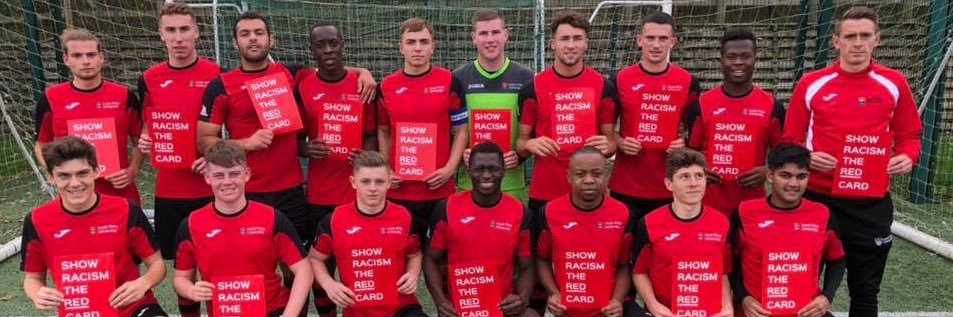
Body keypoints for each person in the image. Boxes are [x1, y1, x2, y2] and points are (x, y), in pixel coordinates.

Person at [782, 7, 922, 316]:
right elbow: (790, 140)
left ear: (877, 40)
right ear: (836, 42)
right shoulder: (812, 83)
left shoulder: (894, 83)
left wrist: (906, 157)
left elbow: (911, 134)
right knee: (801, 290)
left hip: (869, 203)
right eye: (850, 36)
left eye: (864, 36)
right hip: (818, 201)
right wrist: (807, 158)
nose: (857, 43)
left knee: (865, 292)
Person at [197, 11, 374, 245]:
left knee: (297, 262)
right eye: (245, 34)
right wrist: (246, 143)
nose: (252, 38)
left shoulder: (292, 73)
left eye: (259, 33)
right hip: (245, 190)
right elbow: (204, 142)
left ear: (272, 39)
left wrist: (363, 73)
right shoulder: (220, 85)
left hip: (291, 190)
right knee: (252, 259)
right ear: (235, 42)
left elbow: (331, 66)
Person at [21, 136, 167, 316]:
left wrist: (144, 282)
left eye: (82, 173)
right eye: (64, 175)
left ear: (96, 172)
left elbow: (157, 264)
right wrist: (37, 294)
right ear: (51, 178)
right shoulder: (36, 220)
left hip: (133, 307)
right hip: (81, 311)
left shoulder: (126, 209)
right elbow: (32, 278)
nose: (74, 183)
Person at [136, 5, 220, 316]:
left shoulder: (216, 73)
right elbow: (149, 125)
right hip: (170, 189)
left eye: (184, 29)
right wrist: (145, 139)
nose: (178, 37)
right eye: (171, 31)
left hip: (212, 186)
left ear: (197, 32)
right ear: (161, 35)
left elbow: (228, 127)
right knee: (182, 266)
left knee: (215, 260)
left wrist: (213, 156)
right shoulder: (149, 78)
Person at [295, 20, 378, 317]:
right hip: (319, 195)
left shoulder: (361, 84)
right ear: (312, 50)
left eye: (334, 43)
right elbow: (292, 139)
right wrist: (307, 148)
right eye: (321, 45)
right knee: (322, 269)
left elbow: (371, 133)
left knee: (361, 267)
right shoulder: (302, 85)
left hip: (356, 196)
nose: (328, 49)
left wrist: (364, 156)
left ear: (343, 45)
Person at [172, 140, 312, 317]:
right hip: (226, 312)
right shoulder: (191, 224)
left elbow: (303, 270)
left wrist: (289, 314)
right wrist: (191, 291)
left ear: (246, 174)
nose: (227, 182)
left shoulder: (272, 218)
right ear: (207, 177)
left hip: (271, 310)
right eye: (219, 175)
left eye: (234, 174)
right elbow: (180, 278)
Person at [517, 10, 617, 214]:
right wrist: (530, 144)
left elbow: (611, 144)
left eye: (577, 39)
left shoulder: (603, 87)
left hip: (589, 194)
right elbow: (520, 145)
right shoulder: (532, 88)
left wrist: (608, 145)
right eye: (564, 38)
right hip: (545, 193)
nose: (571, 45)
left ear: (586, 43)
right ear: (553, 43)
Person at [377, 17, 468, 240]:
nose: (417, 48)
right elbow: (383, 131)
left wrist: (448, 169)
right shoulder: (386, 86)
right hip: (399, 191)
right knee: (399, 260)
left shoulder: (450, 81)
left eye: (424, 42)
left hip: (439, 189)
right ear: (401, 48)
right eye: (411, 42)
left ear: (432, 47)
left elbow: (462, 130)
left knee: (438, 262)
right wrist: (386, 169)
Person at [729, 143, 845, 317]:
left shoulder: (823, 214)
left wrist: (826, 297)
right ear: (769, 175)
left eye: (801, 176)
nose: (793, 183)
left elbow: (837, 260)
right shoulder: (744, 212)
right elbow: (730, 262)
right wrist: (744, 297)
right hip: (758, 313)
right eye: (785, 175)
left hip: (806, 312)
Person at [309, 151, 427, 317]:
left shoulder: (405, 217)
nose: (373, 188)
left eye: (379, 182)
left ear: (389, 182)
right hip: (357, 309)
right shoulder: (334, 220)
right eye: (365, 181)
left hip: (400, 307)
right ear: (353, 182)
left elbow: (415, 255)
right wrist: (329, 284)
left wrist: (413, 274)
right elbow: (315, 258)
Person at [425, 141, 536, 317]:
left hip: (502, 307)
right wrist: (441, 302)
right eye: (479, 169)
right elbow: (431, 258)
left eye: (493, 169)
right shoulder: (446, 208)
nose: (486, 175)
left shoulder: (522, 213)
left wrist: (521, 298)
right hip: (460, 307)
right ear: (469, 171)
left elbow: (528, 267)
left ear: (503, 171)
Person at [34, 28, 143, 204]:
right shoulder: (50, 98)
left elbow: (140, 139)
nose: (85, 61)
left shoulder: (124, 96)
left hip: (119, 192)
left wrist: (133, 169)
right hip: (74, 193)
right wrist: (54, 171)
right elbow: (41, 143)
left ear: (102, 57)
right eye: (77, 56)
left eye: (91, 54)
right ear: (66, 59)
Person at [609, 11, 700, 218]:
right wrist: (620, 142)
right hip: (627, 184)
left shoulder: (688, 82)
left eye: (663, 38)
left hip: (669, 184)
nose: (656, 45)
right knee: (626, 248)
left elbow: (696, 134)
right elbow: (604, 129)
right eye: (650, 38)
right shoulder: (620, 79)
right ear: (639, 41)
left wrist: (684, 143)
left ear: (673, 42)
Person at [687, 28, 785, 215]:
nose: (738, 62)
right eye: (731, 57)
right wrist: (698, 170)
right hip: (706, 205)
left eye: (745, 56)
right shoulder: (702, 103)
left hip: (753, 206)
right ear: (721, 60)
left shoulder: (772, 106)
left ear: (755, 58)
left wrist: (767, 170)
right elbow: (689, 153)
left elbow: (784, 156)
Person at [535, 146, 637, 317]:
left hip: (606, 310)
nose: (589, 180)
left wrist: (617, 300)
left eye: (596, 174)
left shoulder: (623, 214)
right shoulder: (549, 212)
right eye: (580, 174)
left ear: (606, 176)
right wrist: (554, 293)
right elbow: (542, 259)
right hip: (567, 310)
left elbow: (623, 265)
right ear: (569, 177)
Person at [632, 148, 732, 317]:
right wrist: (654, 305)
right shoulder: (649, 223)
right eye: (685, 176)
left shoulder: (721, 222)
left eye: (699, 176)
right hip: (667, 313)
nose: (694, 183)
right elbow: (638, 272)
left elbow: (722, 271)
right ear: (668, 184)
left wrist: (727, 306)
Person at [454, 9, 534, 202]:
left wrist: (521, 155)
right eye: (483, 33)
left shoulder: (527, 78)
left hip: (512, 185)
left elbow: (537, 130)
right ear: (473, 38)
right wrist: (459, 154)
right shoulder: (458, 78)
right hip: (468, 186)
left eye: (495, 32)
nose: (490, 39)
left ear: (506, 35)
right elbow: (449, 130)